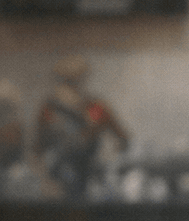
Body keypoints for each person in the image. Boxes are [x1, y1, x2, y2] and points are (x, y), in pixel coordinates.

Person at [33, 56, 129, 200]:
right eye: (66, 80)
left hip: (91, 178)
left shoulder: (96, 107)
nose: (70, 85)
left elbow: (123, 140)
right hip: (59, 180)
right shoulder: (49, 109)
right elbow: (37, 149)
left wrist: (109, 163)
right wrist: (45, 179)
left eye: (74, 80)